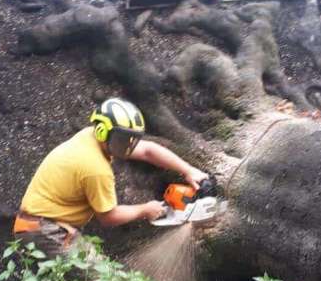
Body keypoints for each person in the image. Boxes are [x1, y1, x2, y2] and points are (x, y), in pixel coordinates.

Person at [13, 97, 208, 259]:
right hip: (45, 231)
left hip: (41, 223)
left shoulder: (91, 137)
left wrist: (189, 170)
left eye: (132, 139)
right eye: (124, 139)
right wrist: (146, 210)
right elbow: (108, 217)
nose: (129, 145)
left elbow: (148, 150)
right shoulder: (95, 168)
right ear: (103, 131)